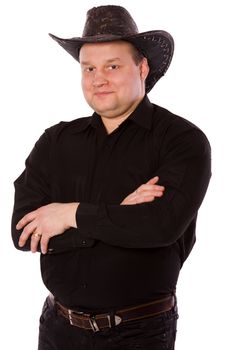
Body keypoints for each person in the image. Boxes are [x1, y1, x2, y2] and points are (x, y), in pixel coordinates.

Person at [11, 5, 211, 350]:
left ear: (142, 68)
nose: (98, 78)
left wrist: (67, 214)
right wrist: (116, 214)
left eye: (112, 66)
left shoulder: (182, 140)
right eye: (89, 68)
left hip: (139, 333)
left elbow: (159, 227)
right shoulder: (55, 142)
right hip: (58, 331)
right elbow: (25, 232)